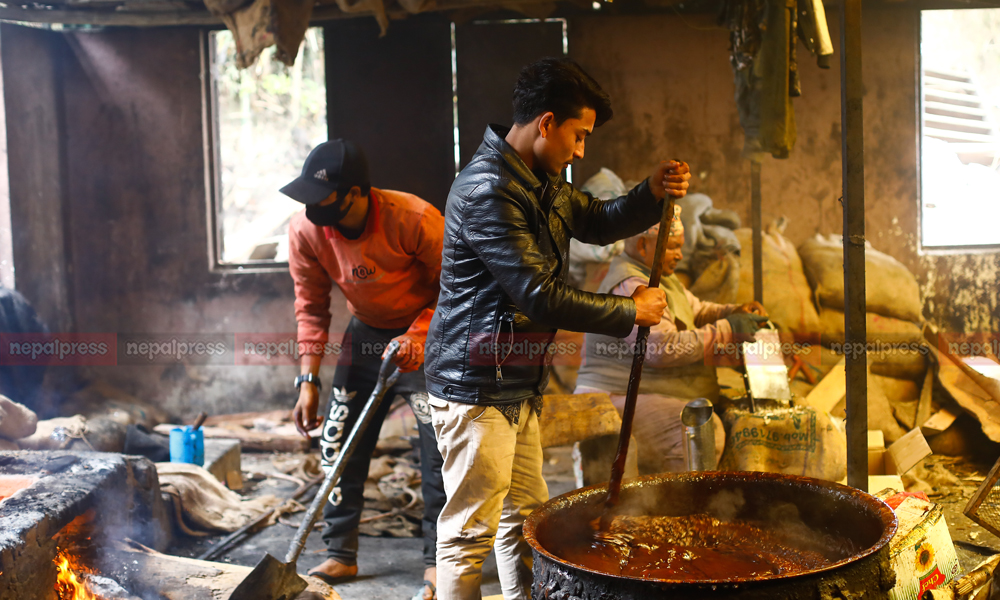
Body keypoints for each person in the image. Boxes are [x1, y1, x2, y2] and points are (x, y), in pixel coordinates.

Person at [422, 57, 691, 600]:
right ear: (546, 123)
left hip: (516, 380)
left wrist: (651, 192)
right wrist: (628, 312)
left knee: (523, 518)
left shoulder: (544, 183)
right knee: (468, 533)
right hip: (476, 384)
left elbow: (601, 218)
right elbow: (537, 294)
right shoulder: (487, 189)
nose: (582, 149)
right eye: (579, 134)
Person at [282, 139, 445, 600]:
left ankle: (437, 562)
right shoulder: (305, 230)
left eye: (323, 198)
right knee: (339, 440)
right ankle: (342, 552)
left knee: (435, 454)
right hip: (367, 334)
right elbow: (311, 308)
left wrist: (418, 337)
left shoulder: (414, 219)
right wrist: (308, 380)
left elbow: (455, 289)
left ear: (356, 193)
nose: (311, 208)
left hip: (424, 334)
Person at [574, 210, 769, 473]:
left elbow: (695, 310)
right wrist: (727, 328)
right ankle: (676, 505)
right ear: (643, 245)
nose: (680, 255)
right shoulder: (632, 284)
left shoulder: (660, 277)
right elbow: (659, 348)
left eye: (681, 247)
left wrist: (733, 313)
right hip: (612, 397)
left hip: (641, 394)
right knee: (703, 429)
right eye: (673, 248)